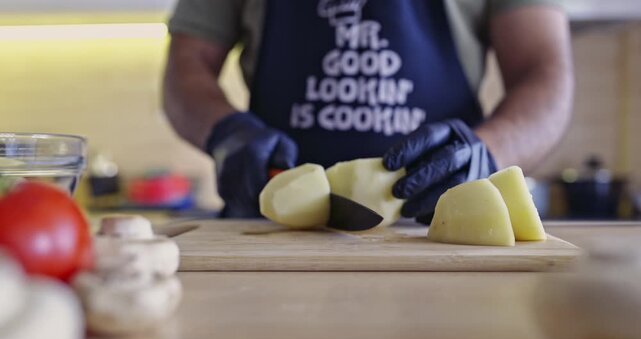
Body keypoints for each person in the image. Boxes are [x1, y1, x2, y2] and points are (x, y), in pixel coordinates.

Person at [163, 0, 574, 222]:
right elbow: (186, 70)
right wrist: (227, 133)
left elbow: (544, 72)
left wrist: (485, 151)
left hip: (438, 230)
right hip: (270, 227)